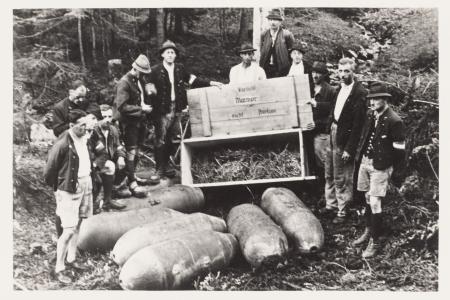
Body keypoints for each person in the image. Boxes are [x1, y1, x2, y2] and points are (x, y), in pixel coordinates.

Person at [147, 40, 223, 183]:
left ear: (175, 55)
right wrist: (150, 100)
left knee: (170, 138)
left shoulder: (180, 69)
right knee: (160, 139)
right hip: (162, 111)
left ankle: (168, 165)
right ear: (162, 55)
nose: (170, 55)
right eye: (168, 52)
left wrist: (211, 83)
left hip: (176, 108)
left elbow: (193, 80)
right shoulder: (155, 70)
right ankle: (159, 169)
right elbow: (148, 87)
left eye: (173, 53)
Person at [352, 83, 405, 258]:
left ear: (385, 100)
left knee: (375, 202)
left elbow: (399, 150)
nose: (372, 102)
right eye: (370, 99)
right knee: (367, 198)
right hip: (365, 162)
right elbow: (365, 137)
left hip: (381, 166)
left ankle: (375, 241)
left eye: (376, 99)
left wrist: (398, 173)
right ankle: (369, 231)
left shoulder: (394, 121)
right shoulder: (371, 115)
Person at [44, 111, 93, 284]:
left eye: (86, 124)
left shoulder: (84, 137)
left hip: (85, 183)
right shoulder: (63, 143)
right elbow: (49, 170)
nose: (85, 128)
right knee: (69, 229)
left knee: (80, 222)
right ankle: (59, 267)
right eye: (81, 125)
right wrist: (58, 189)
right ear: (71, 125)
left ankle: (71, 259)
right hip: (69, 189)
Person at [323, 58, 367, 224]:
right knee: (329, 171)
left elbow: (358, 125)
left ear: (353, 72)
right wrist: (329, 128)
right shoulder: (338, 89)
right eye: (340, 71)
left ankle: (343, 210)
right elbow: (333, 111)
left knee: (342, 175)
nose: (342, 75)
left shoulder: (359, 93)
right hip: (334, 132)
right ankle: (331, 205)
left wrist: (350, 148)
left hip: (346, 138)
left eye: (346, 71)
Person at [113, 54, 153, 197]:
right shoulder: (124, 82)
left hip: (138, 122)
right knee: (130, 153)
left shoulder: (138, 80)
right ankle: (126, 184)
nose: (143, 76)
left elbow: (139, 98)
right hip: (128, 124)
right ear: (135, 69)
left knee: (135, 153)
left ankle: (131, 177)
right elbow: (122, 107)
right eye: (142, 72)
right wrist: (141, 109)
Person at [304, 62, 337, 198]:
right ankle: (317, 194)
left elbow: (333, 114)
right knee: (312, 164)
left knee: (325, 165)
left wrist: (317, 106)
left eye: (319, 73)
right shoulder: (307, 88)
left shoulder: (331, 91)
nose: (315, 75)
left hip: (322, 133)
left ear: (324, 75)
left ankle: (330, 196)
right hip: (307, 133)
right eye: (313, 72)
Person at [89, 105, 128, 211]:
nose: (107, 120)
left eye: (109, 117)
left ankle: (108, 198)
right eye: (103, 117)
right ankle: (91, 204)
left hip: (106, 157)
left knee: (127, 161)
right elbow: (90, 151)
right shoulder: (93, 130)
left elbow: (118, 146)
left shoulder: (113, 129)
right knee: (100, 175)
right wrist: (96, 164)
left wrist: (121, 157)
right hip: (95, 161)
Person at [259, 8, 294, 78]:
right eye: (270, 20)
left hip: (282, 68)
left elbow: (292, 52)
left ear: (280, 22)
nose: (272, 22)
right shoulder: (264, 34)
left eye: (275, 20)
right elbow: (261, 50)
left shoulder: (287, 34)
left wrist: (289, 66)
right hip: (266, 67)